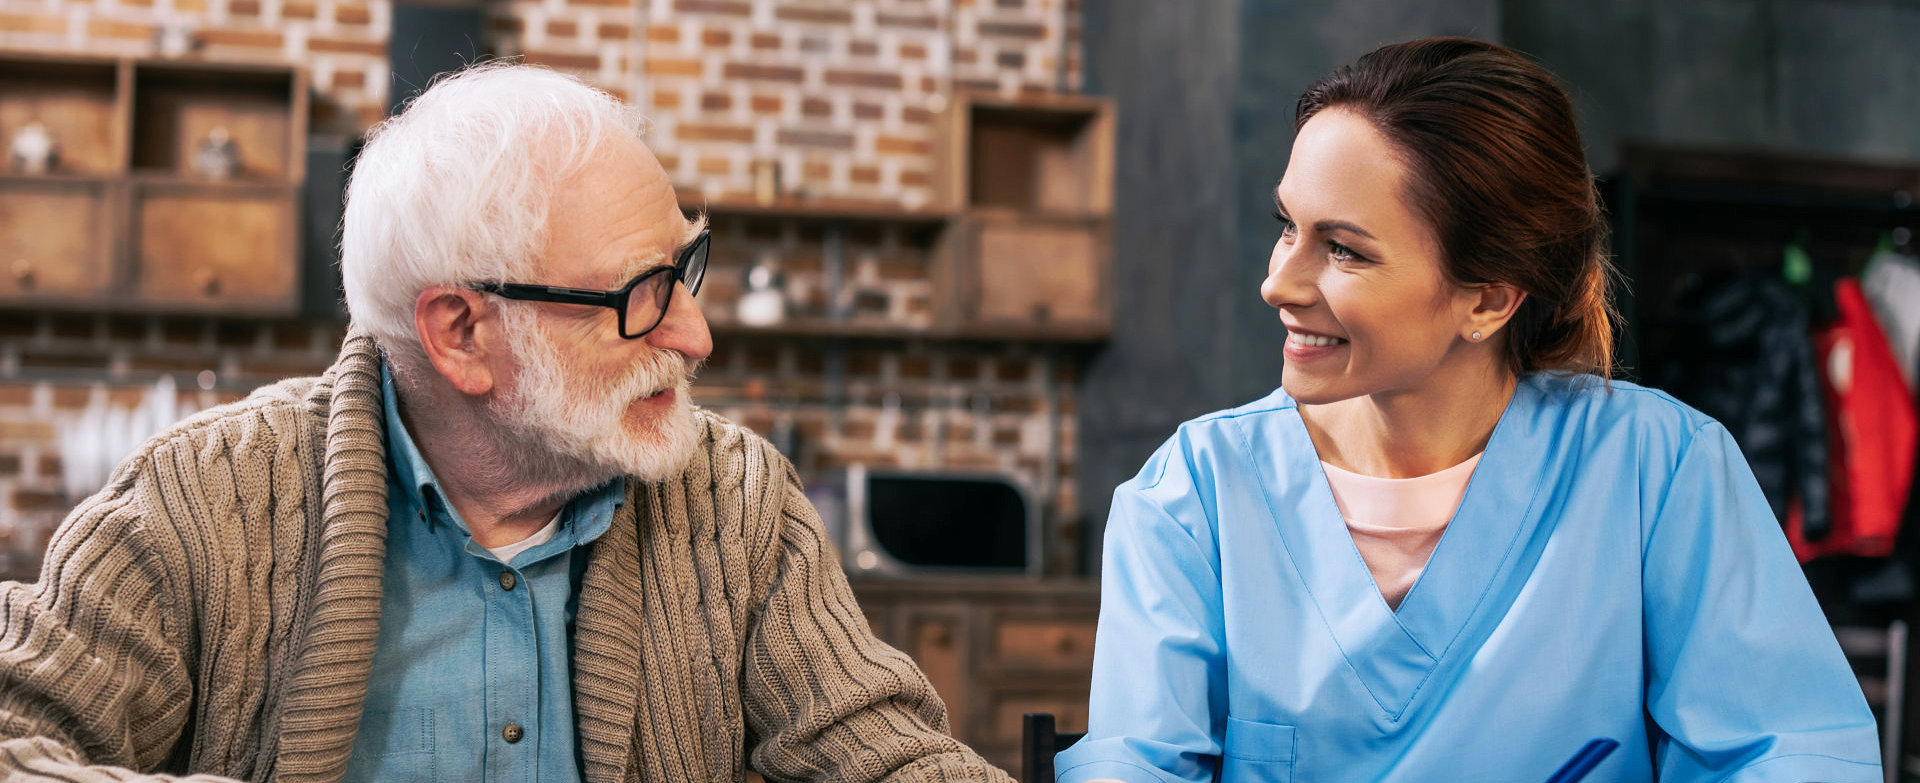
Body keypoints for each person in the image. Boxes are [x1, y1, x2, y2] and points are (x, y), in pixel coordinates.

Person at [0, 63, 1011, 783]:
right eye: (642, 295)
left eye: (686, 268)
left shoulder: (737, 502)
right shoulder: (201, 501)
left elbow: (889, 757)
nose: (697, 336)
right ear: (461, 334)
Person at [1057, 38, 1882, 783]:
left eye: (1343, 248)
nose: (1279, 282)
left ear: (1486, 299)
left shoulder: (1660, 471)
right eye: (1288, 228)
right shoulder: (1192, 496)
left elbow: (1794, 755)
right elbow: (1137, 765)